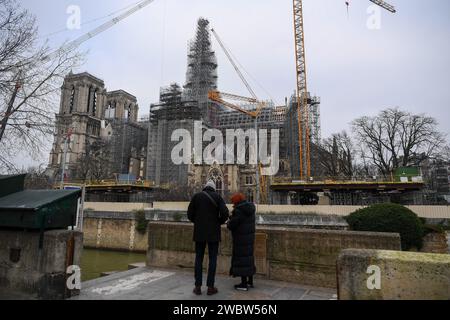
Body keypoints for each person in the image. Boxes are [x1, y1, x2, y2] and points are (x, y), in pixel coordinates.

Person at [187, 180, 229, 296]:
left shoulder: (197, 196)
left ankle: (197, 287)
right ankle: (210, 287)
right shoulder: (218, 197)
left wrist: (198, 222)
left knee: (198, 259)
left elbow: (189, 214)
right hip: (213, 233)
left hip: (199, 233)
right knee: (213, 259)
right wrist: (218, 222)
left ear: (205, 187)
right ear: (214, 188)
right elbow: (225, 213)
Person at [227, 192, 256, 291]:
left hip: (240, 239)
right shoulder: (250, 209)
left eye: (233, 203)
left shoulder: (239, 211)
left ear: (236, 202)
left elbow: (232, 225)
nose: (233, 205)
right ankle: (250, 281)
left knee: (242, 260)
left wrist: (229, 220)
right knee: (249, 259)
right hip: (249, 238)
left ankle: (243, 284)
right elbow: (243, 221)